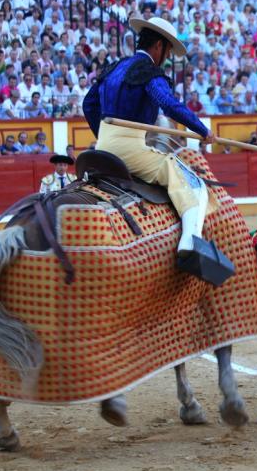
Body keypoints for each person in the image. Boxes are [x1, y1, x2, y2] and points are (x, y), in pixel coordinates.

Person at [83, 15, 231, 285]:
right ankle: (189, 243)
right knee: (192, 183)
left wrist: (105, 138)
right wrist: (201, 130)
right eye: (168, 51)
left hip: (103, 144)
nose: (166, 57)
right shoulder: (148, 71)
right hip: (130, 147)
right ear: (159, 46)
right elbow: (168, 103)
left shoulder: (114, 67)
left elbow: (88, 105)